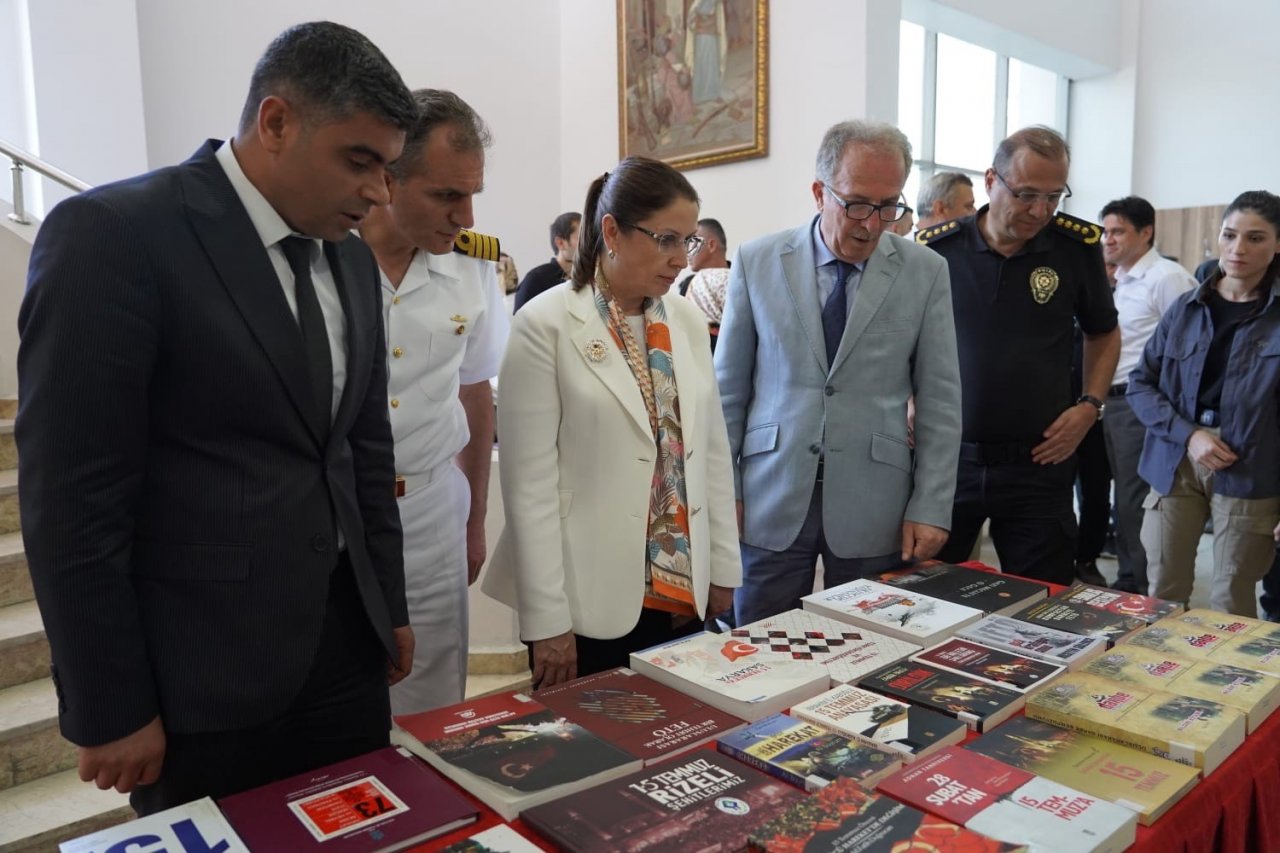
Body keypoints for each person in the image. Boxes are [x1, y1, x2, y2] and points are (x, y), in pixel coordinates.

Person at [16, 22, 415, 814]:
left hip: (344, 654)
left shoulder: (349, 258)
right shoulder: (117, 236)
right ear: (276, 123)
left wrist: (388, 609)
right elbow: (72, 499)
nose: (379, 194)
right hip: (204, 674)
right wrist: (111, 702)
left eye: (390, 169)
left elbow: (363, 452)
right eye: (359, 161)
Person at [483, 157, 741, 687]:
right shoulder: (546, 324)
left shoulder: (687, 321)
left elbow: (710, 451)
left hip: (679, 581)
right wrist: (548, 620)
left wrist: (722, 567)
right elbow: (528, 487)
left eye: (688, 241)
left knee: (675, 733)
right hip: (586, 592)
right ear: (611, 232)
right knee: (594, 745)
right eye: (666, 239)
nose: (679, 259)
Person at [716, 120, 962, 625]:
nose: (872, 224)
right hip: (770, 493)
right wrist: (727, 494)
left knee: (869, 652)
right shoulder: (758, 261)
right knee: (755, 649)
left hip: (876, 502)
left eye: (889, 206)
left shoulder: (925, 271)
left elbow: (940, 398)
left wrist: (932, 503)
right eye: (856, 204)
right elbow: (728, 394)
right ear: (818, 192)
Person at [358, 89, 510, 714]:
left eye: (472, 195)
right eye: (447, 195)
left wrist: (474, 519)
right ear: (388, 178)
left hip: (428, 509)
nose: (467, 217)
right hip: (336, 514)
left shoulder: (475, 268)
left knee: (432, 702)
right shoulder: (322, 259)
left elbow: (476, 394)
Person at [921, 126, 1120, 585]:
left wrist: (1090, 407)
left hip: (1040, 463)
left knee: (1040, 604)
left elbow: (1104, 332)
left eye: (1054, 197)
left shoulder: (1076, 248)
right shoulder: (937, 251)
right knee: (925, 596)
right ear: (992, 180)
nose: (1040, 211)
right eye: (1027, 194)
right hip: (947, 461)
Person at [1128, 191, 1280, 616]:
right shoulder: (1187, 307)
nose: (1238, 249)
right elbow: (1141, 383)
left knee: (1232, 595)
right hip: (1176, 456)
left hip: (1250, 466)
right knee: (1163, 587)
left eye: (1255, 238)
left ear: (1277, 244)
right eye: (1230, 235)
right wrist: (1189, 435)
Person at [1098, 196, 1196, 594]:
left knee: (1137, 499)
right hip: (1109, 404)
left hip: (1140, 405)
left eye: (1118, 231)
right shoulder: (1118, 281)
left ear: (1146, 232)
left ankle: (1137, 584)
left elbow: (1189, 345)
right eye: (1105, 231)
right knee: (1122, 497)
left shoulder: (1166, 278)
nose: (1108, 240)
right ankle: (1129, 575)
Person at [514, 211, 580, 312]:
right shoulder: (535, 280)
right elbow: (519, 323)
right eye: (581, 238)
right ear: (560, 243)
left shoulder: (588, 277)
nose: (589, 243)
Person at [684, 217, 731, 349]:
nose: (687, 251)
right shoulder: (687, 285)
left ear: (711, 245)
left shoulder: (739, 281)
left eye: (692, 243)